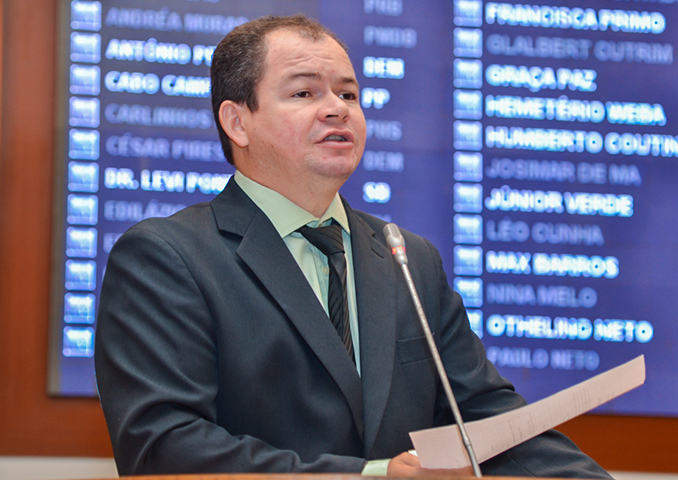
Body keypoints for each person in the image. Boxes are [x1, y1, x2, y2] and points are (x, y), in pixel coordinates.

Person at [95, 14, 612, 478]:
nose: (336, 110)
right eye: (304, 93)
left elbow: (485, 421)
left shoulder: (407, 257)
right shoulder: (168, 257)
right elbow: (162, 449)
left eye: (348, 95)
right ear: (237, 122)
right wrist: (373, 476)